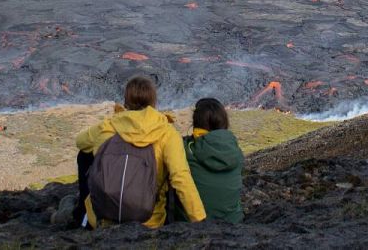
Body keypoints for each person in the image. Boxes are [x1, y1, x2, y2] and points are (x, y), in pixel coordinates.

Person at [75, 75, 206, 228]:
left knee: (84, 154)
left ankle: (83, 212)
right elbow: (181, 178)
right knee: (171, 171)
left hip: (103, 219)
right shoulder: (167, 133)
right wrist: (201, 222)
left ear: (126, 101)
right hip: (149, 221)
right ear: (153, 102)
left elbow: (80, 142)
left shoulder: (108, 126)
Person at [177, 98, 244, 223]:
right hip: (233, 221)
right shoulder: (236, 151)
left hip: (193, 223)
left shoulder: (185, 149)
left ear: (195, 122)